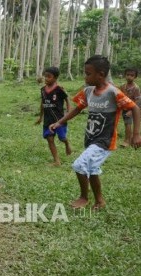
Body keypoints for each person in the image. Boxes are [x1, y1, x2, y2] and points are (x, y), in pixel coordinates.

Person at [49, 55, 141, 210]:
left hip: (105, 140)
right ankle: (99, 201)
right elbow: (78, 109)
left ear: (101, 74)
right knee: (92, 170)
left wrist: (136, 134)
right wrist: (59, 122)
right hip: (91, 138)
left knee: (79, 165)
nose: (85, 76)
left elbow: (135, 108)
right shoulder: (88, 91)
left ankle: (84, 197)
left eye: (88, 73)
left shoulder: (113, 92)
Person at [35, 66, 72, 166]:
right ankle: (57, 161)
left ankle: (67, 143)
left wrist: (68, 111)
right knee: (49, 139)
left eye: (49, 77)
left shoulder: (59, 89)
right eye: (45, 76)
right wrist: (40, 117)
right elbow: (43, 103)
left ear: (55, 78)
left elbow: (67, 99)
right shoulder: (42, 90)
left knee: (61, 138)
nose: (46, 78)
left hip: (59, 119)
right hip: (48, 120)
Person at [119, 68, 141, 147]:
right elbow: (120, 97)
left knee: (128, 124)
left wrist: (131, 111)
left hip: (133, 109)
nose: (129, 77)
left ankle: (127, 140)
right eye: (128, 75)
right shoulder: (123, 86)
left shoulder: (136, 88)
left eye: (132, 75)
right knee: (126, 124)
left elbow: (138, 100)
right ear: (125, 75)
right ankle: (131, 139)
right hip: (125, 109)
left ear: (135, 77)